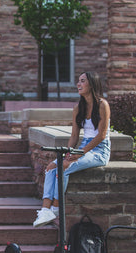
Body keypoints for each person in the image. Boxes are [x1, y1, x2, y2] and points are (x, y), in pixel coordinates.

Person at [33, 71, 111, 227]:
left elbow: (101, 136)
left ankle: (55, 207)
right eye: (78, 81)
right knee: (51, 167)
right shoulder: (78, 108)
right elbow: (74, 136)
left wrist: (80, 154)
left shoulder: (102, 104)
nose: (78, 84)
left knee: (64, 168)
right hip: (82, 148)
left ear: (92, 84)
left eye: (82, 81)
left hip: (99, 151)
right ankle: (45, 210)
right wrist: (67, 153)